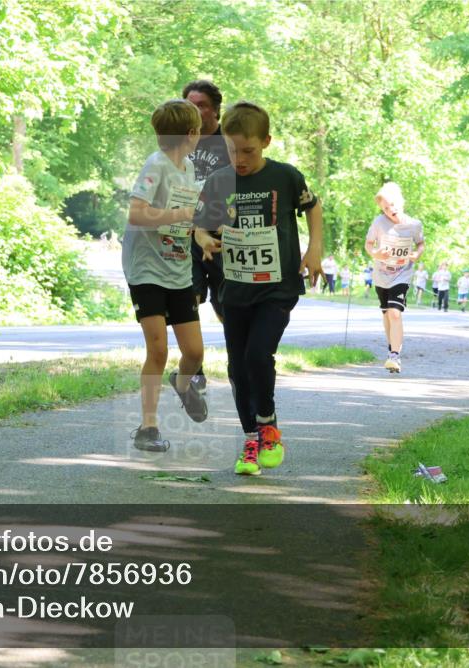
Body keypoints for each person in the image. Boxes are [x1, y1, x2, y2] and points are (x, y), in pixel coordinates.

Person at [193, 101, 323, 476]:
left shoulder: (286, 176)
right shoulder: (218, 181)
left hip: (277, 288)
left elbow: (313, 207)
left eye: (248, 151)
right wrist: (203, 239)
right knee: (237, 368)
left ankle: (268, 426)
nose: (240, 160)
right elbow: (200, 225)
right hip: (234, 289)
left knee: (257, 355)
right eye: (232, 151)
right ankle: (251, 441)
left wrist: (314, 249)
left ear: (266, 141)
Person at [122, 99, 208, 452]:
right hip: (146, 269)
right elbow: (136, 214)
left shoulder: (188, 169)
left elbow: (188, 219)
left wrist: (202, 236)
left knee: (195, 353)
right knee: (157, 349)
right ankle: (148, 427)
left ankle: (183, 385)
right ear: (192, 134)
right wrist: (180, 214)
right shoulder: (155, 165)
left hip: (178, 268)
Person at [182, 80, 230, 394]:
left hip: (222, 236)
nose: (196, 111)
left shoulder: (230, 142)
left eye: (202, 105)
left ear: (215, 110)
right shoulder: (178, 144)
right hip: (186, 236)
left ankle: (238, 363)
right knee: (188, 298)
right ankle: (195, 371)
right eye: (190, 105)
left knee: (226, 305)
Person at [364, 182, 424, 373]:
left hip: (402, 274)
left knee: (395, 312)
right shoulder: (379, 222)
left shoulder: (414, 225)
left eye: (392, 205)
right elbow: (368, 244)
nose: (390, 210)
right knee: (386, 313)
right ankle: (392, 348)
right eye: (385, 208)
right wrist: (376, 254)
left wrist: (417, 254)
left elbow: (421, 243)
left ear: (401, 201)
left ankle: (394, 356)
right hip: (381, 275)